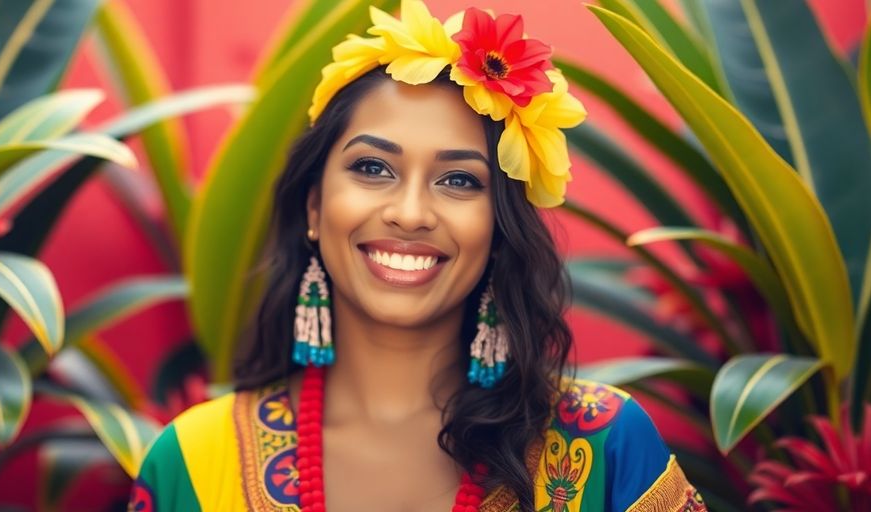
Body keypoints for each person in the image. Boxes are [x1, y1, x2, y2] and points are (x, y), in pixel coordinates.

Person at [129, 1, 707, 510]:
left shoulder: (601, 446)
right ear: (313, 207)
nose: (409, 213)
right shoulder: (195, 462)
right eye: (373, 168)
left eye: (458, 180)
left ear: (500, 229)